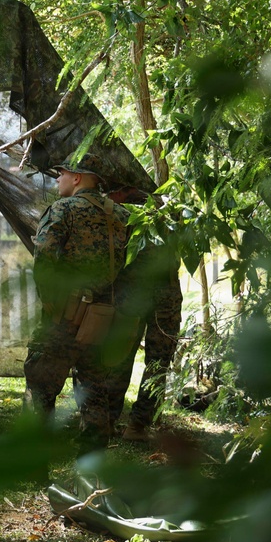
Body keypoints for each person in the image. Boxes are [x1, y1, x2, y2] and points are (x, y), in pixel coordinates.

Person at [23, 152, 130, 449]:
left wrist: (51, 305)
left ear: (78, 178)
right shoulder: (121, 215)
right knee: (94, 390)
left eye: (63, 173)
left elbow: (44, 259)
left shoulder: (62, 210)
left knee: (40, 386)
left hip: (62, 316)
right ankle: (92, 465)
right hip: (101, 317)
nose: (58, 178)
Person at [105, 186, 183, 442]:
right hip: (158, 295)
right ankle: (133, 424)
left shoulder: (121, 212)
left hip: (142, 295)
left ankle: (121, 423)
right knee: (150, 361)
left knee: (129, 357)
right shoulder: (166, 210)